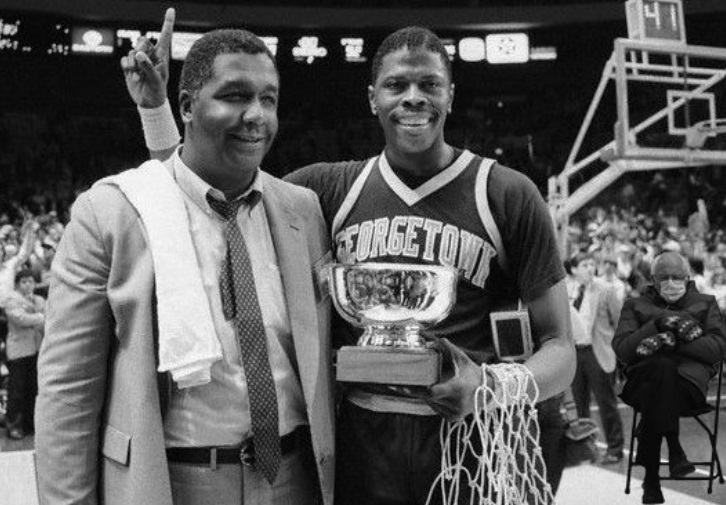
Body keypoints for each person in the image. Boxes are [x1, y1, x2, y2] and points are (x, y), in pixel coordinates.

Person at [129, 13, 575, 504]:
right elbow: (201, 195)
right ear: (372, 98)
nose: (413, 98)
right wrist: (156, 110)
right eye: (396, 85)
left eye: (430, 84)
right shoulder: (324, 189)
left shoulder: (507, 193)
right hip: (358, 439)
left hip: (468, 437)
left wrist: (491, 386)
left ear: (450, 93)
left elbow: (561, 348)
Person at [36, 14, 335, 505]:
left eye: (268, 98)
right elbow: (68, 396)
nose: (256, 114)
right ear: (187, 105)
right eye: (235, 96)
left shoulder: (301, 209)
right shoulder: (112, 213)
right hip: (174, 482)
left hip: (297, 478)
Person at [612, 251, 726, 504]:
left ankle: (651, 480)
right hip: (643, 385)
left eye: (678, 277)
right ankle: (674, 451)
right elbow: (622, 350)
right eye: (664, 278)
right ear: (652, 280)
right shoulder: (634, 305)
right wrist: (657, 324)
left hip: (686, 389)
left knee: (660, 368)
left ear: (687, 277)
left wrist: (671, 341)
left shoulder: (706, 303)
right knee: (660, 369)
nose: (672, 283)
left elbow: (717, 349)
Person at [569, 252, 625, 465]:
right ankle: (586, 448)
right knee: (579, 404)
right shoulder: (569, 290)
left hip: (598, 352)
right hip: (576, 352)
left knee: (606, 403)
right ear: (574, 269)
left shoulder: (606, 290)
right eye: (584, 264)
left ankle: (615, 448)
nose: (589, 268)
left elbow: (620, 321)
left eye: (591, 264)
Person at [4, 268, 45, 440]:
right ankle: (13, 424)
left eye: (31, 281)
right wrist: (39, 317)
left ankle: (29, 423)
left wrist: (37, 315)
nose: (28, 285)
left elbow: (48, 314)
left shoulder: (39, 299)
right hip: (18, 352)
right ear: (17, 284)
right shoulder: (11, 299)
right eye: (24, 281)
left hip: (36, 349)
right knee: (16, 391)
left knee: (33, 389)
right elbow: (21, 319)